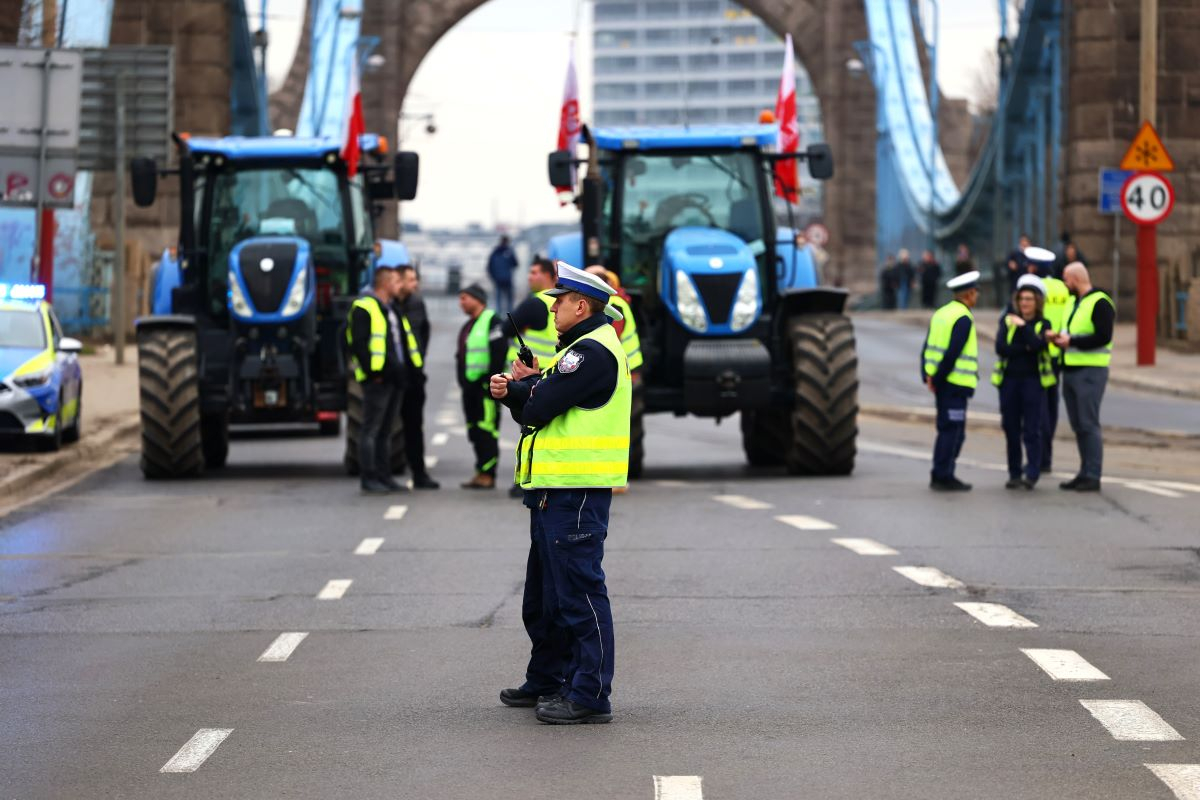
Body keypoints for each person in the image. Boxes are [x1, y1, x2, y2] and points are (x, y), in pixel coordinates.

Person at [490, 262, 630, 725]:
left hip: (576, 491)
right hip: (555, 491)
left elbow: (539, 407)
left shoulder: (590, 352)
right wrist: (521, 386)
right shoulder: (575, 351)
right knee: (546, 597)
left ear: (581, 305)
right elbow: (539, 403)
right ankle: (550, 678)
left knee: (578, 595)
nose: (552, 310)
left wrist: (519, 391)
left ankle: (589, 693)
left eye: (559, 303)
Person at [1048, 262, 1114, 492]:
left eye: (1067, 280)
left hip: (1090, 371)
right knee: (1078, 425)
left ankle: (1093, 474)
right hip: (1071, 369)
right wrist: (1059, 337)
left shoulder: (1100, 302)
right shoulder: (1074, 302)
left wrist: (1072, 342)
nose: (1065, 285)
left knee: (1088, 424)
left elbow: (1103, 336)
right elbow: (1073, 332)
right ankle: (1084, 471)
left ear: (1075, 279)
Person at [500, 257, 560, 497]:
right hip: (554, 372)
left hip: (530, 374)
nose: (529, 277)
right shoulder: (559, 301)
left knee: (528, 427)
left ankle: (524, 481)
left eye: (534, 272)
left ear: (548, 275)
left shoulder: (536, 303)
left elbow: (506, 329)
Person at [992, 274, 1056, 489]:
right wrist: (1025, 348)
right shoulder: (1007, 321)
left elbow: (1039, 346)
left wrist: (1023, 328)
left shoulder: (1042, 323)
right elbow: (1001, 348)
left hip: (1032, 382)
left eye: (1029, 299)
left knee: (1032, 429)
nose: (1025, 303)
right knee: (1010, 428)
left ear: (1036, 301)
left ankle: (1032, 472)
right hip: (1009, 381)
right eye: (1022, 299)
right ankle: (1014, 473)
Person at [346, 266, 406, 494]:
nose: (398, 285)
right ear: (384, 283)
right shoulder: (364, 307)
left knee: (384, 431)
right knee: (370, 430)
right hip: (377, 380)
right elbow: (358, 344)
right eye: (394, 281)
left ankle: (384, 476)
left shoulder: (389, 308)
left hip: (392, 379)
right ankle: (368, 477)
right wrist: (375, 374)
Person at [922, 271, 980, 491]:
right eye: (975, 293)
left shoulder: (941, 313)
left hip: (942, 385)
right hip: (955, 385)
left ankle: (940, 472)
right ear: (969, 294)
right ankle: (944, 475)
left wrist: (928, 376)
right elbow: (952, 353)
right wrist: (938, 378)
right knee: (953, 432)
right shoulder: (963, 318)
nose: (977, 298)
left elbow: (927, 346)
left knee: (946, 429)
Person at [456, 283, 508, 489]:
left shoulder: (492, 321)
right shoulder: (469, 325)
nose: (461, 302)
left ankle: (488, 474)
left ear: (478, 299)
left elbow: (499, 351)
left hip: (485, 390)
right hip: (470, 390)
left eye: (464, 298)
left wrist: (489, 382)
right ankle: (481, 470)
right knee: (474, 431)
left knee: (487, 431)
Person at [395, 264, 439, 490]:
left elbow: (422, 334)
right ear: (398, 281)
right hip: (392, 376)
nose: (416, 285)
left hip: (413, 377)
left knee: (414, 427)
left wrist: (417, 363)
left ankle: (418, 473)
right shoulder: (389, 305)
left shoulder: (415, 303)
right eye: (411, 280)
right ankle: (380, 472)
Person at [487, 235, 518, 314]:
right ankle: (510, 317)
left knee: (498, 300)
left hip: (498, 280)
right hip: (507, 279)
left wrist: (493, 277)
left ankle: (499, 316)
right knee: (509, 300)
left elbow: (489, 267)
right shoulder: (509, 251)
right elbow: (515, 263)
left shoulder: (495, 252)